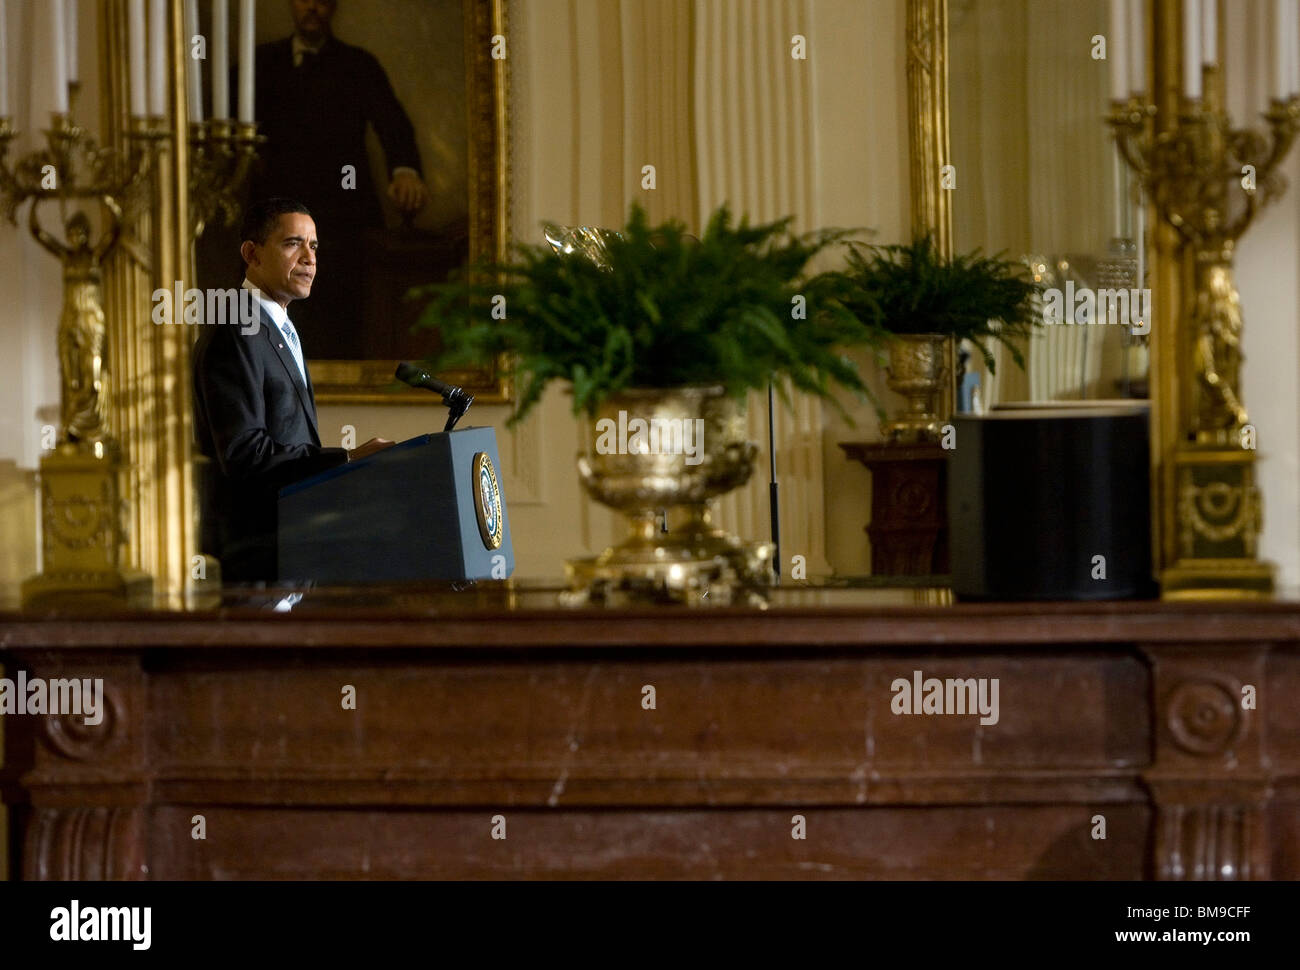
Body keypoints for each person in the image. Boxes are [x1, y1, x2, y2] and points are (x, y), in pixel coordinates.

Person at [193, 198, 395, 582]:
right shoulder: (237, 329)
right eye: (292, 244)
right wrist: (346, 460)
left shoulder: (277, 327)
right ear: (252, 254)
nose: (309, 258)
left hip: (290, 556)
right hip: (254, 564)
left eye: (314, 246)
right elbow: (243, 454)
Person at [248, 0, 430, 358]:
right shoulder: (260, 64)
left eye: (322, 0)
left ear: (333, 7)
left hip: (345, 222)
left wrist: (405, 171)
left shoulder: (358, 65)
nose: (312, 8)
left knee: (343, 329)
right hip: (277, 220)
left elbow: (392, 124)